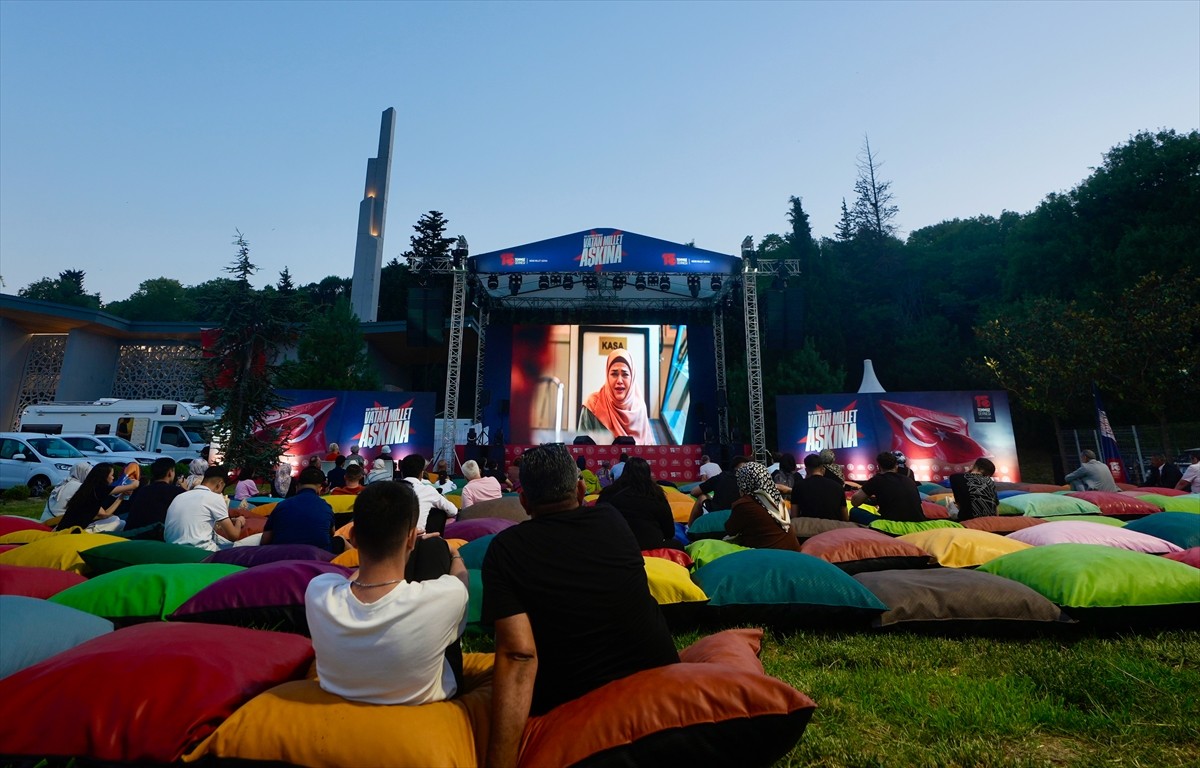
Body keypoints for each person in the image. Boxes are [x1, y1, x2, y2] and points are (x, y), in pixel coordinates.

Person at [482, 444, 678, 767]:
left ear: (525, 502)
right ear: (581, 488)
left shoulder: (505, 549)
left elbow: (518, 654)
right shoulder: (611, 519)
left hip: (567, 708)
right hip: (660, 689)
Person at [306, 480, 469, 704]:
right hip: (428, 700)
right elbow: (461, 581)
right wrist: (452, 551)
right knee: (434, 548)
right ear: (411, 537)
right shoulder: (444, 596)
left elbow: (354, 580)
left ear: (353, 537)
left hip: (337, 697)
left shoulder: (318, 591)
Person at [597, 456, 677, 550]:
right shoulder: (657, 495)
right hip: (651, 547)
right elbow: (669, 532)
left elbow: (598, 521)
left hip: (614, 547)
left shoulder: (609, 493)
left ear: (625, 472)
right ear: (648, 474)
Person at [577, 348, 652, 445]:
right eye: (614, 374)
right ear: (607, 376)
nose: (619, 380)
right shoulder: (592, 406)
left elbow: (648, 451)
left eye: (625, 374)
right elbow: (580, 451)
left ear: (632, 377)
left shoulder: (640, 408)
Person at [164, 465, 246, 551]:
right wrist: (239, 521)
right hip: (199, 551)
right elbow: (233, 536)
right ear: (220, 484)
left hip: (171, 548)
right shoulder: (215, 497)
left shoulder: (179, 497)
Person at [725, 462, 800, 551]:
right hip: (793, 551)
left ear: (744, 481)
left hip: (770, 557)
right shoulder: (775, 497)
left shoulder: (744, 504)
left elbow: (730, 529)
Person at [262, 466, 340, 551]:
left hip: (282, 557)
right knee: (341, 541)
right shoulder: (326, 507)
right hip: (319, 558)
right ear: (319, 488)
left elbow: (265, 540)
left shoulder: (281, 506)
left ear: (297, 486)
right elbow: (332, 532)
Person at [55, 463, 137, 532]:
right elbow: (133, 486)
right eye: (111, 475)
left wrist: (121, 497)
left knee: (115, 519)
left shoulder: (88, 489)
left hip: (65, 527)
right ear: (104, 476)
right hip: (75, 531)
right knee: (121, 523)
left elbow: (104, 514)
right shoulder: (99, 489)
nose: (113, 477)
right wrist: (134, 480)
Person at [851, 452, 925, 522]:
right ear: (896, 466)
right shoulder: (909, 480)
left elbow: (855, 502)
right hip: (917, 523)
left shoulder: (876, 480)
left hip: (892, 524)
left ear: (879, 467)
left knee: (854, 511)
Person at [123, 457, 185, 533]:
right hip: (156, 536)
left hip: (132, 533)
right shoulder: (178, 492)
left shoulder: (143, 490)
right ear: (170, 472)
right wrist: (186, 490)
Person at [400, 454, 459, 534]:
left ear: (401, 473)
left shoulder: (388, 490)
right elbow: (453, 511)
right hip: (418, 540)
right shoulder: (428, 490)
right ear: (421, 473)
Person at [688, 456, 748, 523]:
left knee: (702, 497)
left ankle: (690, 527)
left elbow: (695, 491)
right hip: (740, 514)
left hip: (718, 513)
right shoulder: (749, 481)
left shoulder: (720, 476)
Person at [791, 453, 847, 521]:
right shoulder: (838, 487)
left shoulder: (798, 487)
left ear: (806, 470)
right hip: (833, 528)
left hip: (808, 528)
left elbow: (794, 516)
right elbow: (845, 517)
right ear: (823, 469)